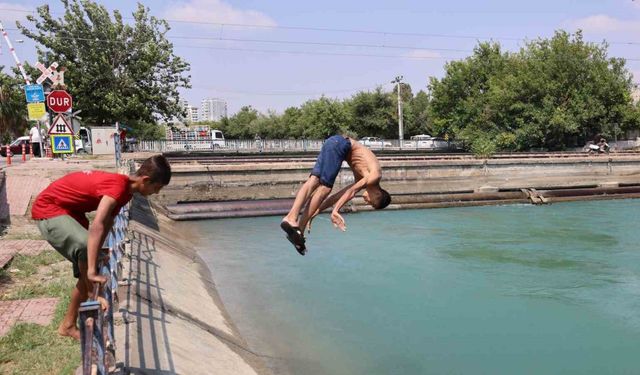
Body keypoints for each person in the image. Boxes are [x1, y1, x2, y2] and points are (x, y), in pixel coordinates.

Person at [31, 155, 171, 340]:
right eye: (157, 187)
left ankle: (68, 325)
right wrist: (91, 272)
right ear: (145, 180)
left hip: (71, 212)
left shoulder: (126, 192)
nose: (156, 193)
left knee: (91, 261)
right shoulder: (118, 187)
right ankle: (92, 294)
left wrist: (97, 255)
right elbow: (97, 225)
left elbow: (108, 223)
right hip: (50, 210)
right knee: (83, 247)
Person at [281, 135, 391, 255]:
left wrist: (316, 211)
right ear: (378, 194)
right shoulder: (375, 175)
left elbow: (337, 197)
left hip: (333, 143)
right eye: (372, 202)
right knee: (325, 188)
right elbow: (352, 192)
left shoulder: (364, 178)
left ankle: (295, 226)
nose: (367, 202)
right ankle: (294, 221)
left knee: (314, 181)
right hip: (340, 145)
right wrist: (336, 211)